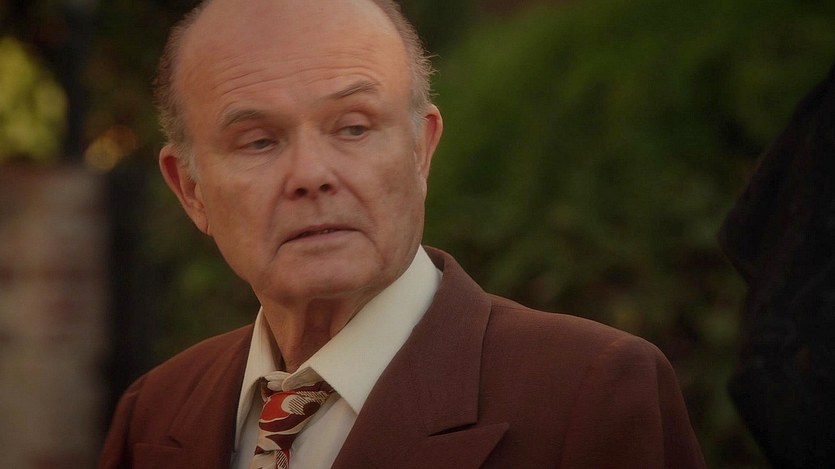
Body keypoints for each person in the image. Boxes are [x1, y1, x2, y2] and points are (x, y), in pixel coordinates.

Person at [99, 0, 706, 467]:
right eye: (259, 141)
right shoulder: (154, 413)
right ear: (191, 190)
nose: (311, 175)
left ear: (421, 150)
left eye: (354, 127)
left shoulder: (589, 393)